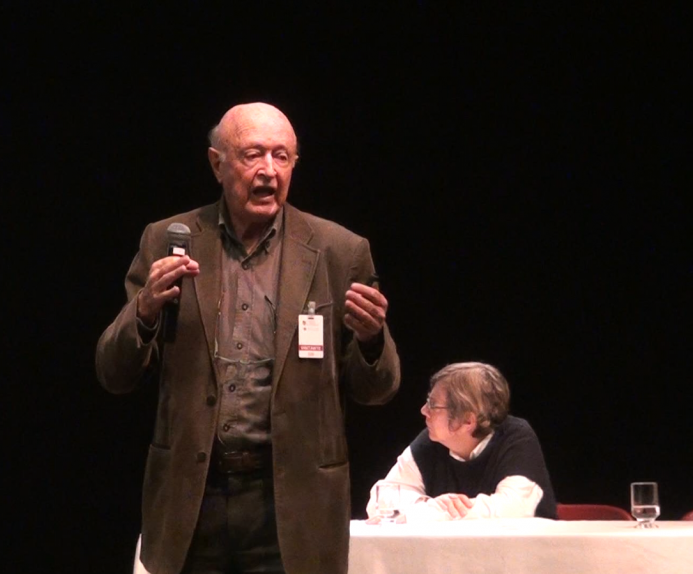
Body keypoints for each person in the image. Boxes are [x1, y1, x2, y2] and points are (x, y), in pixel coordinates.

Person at [96, 102, 401, 574]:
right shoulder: (167, 239)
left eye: (282, 157)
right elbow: (113, 373)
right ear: (217, 164)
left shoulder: (339, 251)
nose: (269, 171)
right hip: (193, 501)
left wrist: (371, 341)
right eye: (253, 154)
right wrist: (145, 310)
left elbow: (378, 390)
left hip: (292, 507)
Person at [366, 362, 556, 522]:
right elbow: (381, 500)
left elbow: (514, 508)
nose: (423, 410)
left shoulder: (515, 437)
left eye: (433, 404)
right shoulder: (430, 442)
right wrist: (431, 504)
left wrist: (433, 512)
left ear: (467, 421)